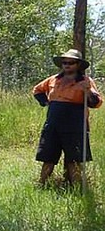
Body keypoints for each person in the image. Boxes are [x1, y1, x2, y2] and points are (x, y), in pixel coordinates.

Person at [32, 49, 102, 186]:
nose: (67, 65)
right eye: (64, 63)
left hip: (75, 126)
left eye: (71, 63)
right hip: (53, 124)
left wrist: (87, 91)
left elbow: (97, 102)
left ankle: (77, 189)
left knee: (74, 160)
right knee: (48, 157)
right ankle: (41, 185)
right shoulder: (53, 80)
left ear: (78, 65)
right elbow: (37, 90)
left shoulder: (86, 81)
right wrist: (46, 102)